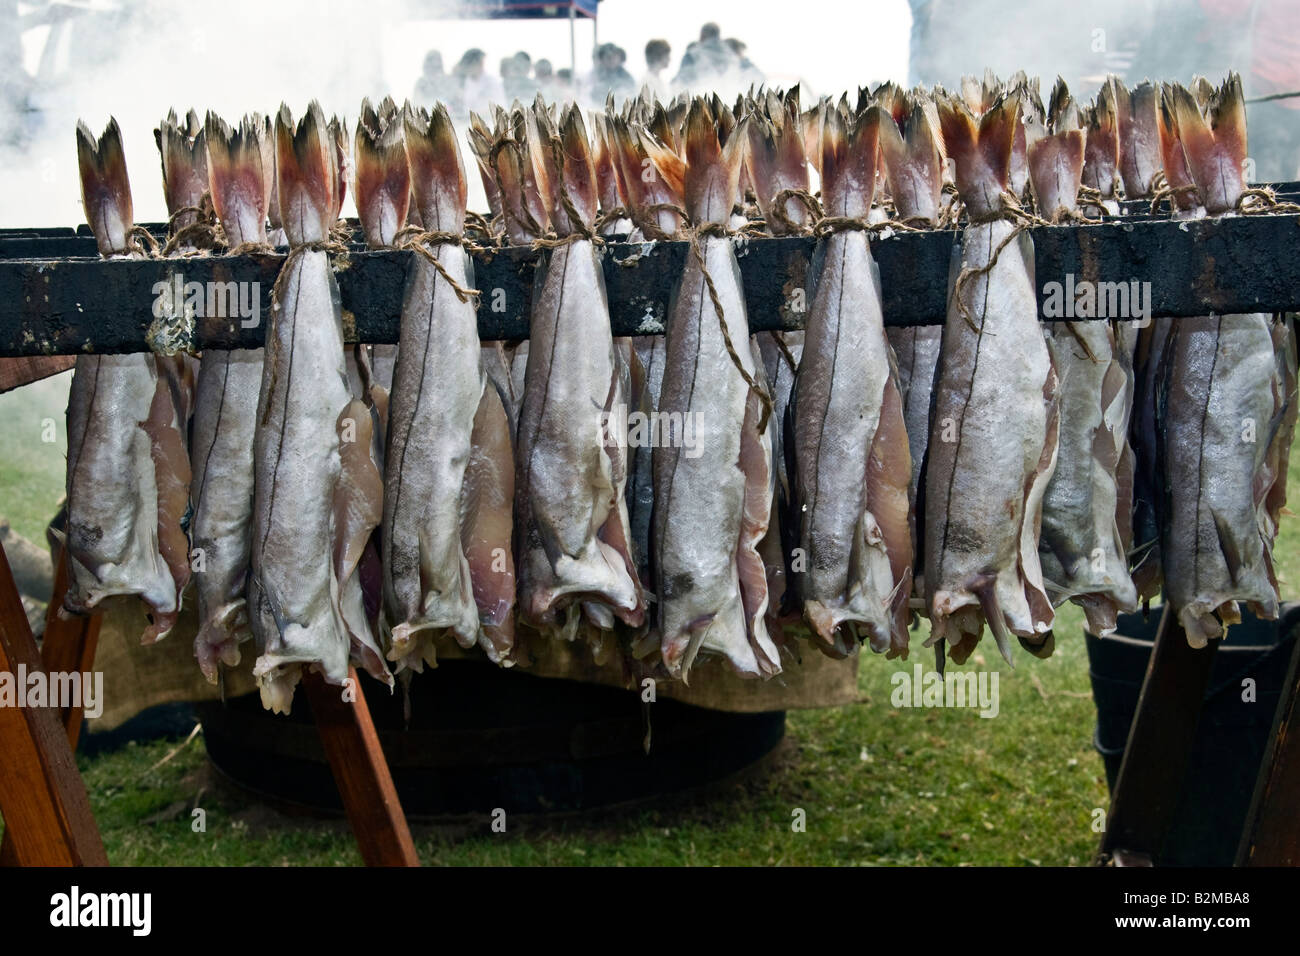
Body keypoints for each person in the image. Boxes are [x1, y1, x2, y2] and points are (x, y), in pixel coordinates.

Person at [454, 48, 504, 115]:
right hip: (468, 120)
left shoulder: (492, 81)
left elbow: (500, 106)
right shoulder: (466, 81)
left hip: (489, 120)